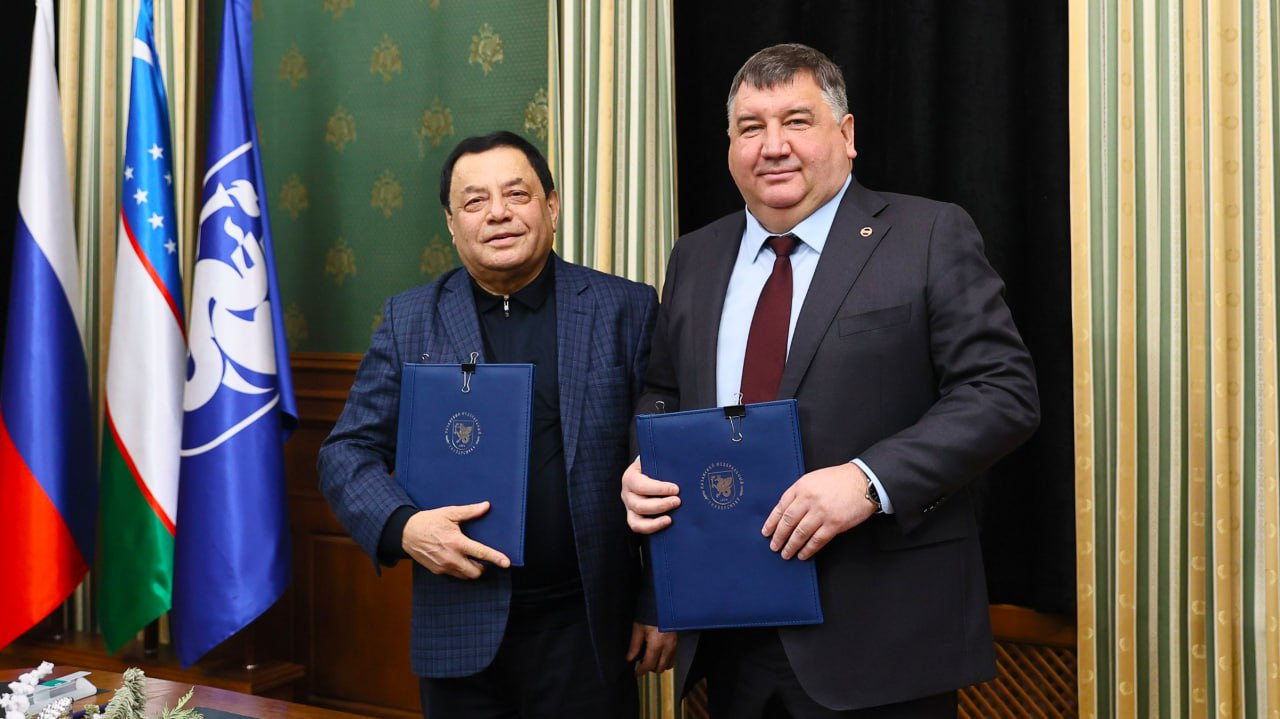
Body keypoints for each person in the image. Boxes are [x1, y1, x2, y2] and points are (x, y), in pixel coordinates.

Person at [621, 44, 1040, 718]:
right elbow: (664, 389)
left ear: (846, 135)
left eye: (797, 121)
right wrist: (647, 461)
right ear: (729, 148)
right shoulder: (696, 255)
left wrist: (869, 481)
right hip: (730, 635)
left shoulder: (928, 234)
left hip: (883, 635)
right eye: (751, 128)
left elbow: (1002, 392)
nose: (773, 146)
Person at [319, 131, 674, 719]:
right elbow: (346, 452)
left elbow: (662, 464)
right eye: (475, 201)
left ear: (552, 207)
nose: (498, 213)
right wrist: (405, 527)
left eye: (517, 194)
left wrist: (660, 601)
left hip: (588, 628)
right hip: (460, 631)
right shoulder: (410, 319)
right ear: (451, 223)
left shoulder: (625, 309)